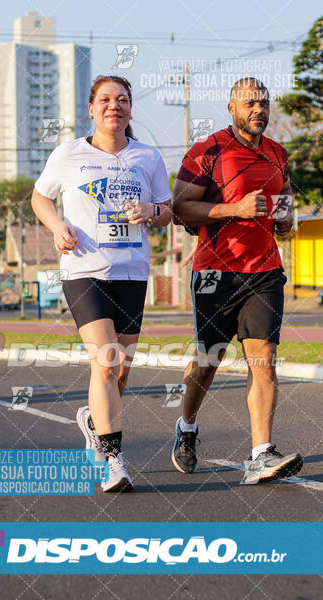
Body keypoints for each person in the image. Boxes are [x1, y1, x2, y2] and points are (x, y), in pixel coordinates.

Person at [32, 75, 172, 492]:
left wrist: (152, 209)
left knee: (121, 370)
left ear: (130, 109)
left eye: (123, 99)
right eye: (106, 99)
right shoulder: (69, 154)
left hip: (132, 270)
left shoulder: (147, 157)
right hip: (84, 269)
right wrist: (56, 226)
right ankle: (114, 461)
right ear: (91, 109)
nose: (115, 106)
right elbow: (40, 197)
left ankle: (94, 421)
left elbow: (168, 210)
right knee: (107, 361)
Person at [172, 77, 303, 485]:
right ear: (231, 107)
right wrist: (235, 208)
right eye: (250, 103)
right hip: (215, 273)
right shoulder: (207, 150)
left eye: (263, 102)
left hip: (264, 272)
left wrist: (285, 222)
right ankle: (187, 426)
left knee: (263, 362)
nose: (258, 110)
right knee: (208, 361)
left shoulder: (278, 154)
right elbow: (180, 209)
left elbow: (286, 213)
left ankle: (261, 453)